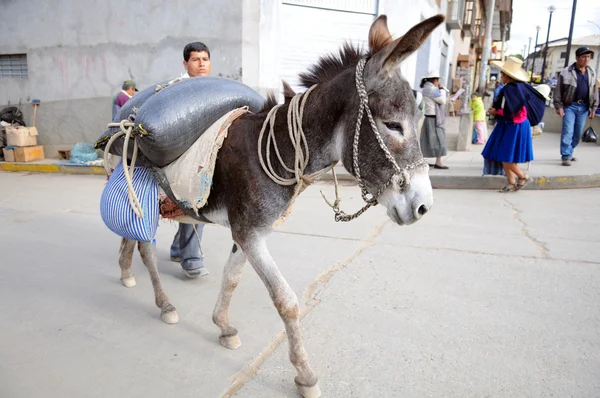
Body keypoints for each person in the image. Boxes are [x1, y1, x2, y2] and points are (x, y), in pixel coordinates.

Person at [169, 41, 212, 278]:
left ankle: (178, 248)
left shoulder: (215, 87)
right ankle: (192, 260)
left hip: (206, 153)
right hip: (184, 154)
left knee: (194, 203)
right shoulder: (178, 89)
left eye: (204, 59)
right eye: (195, 59)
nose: (201, 63)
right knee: (196, 201)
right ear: (185, 64)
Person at [482, 56, 534, 192]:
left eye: (502, 73)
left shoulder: (510, 89)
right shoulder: (521, 87)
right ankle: (511, 182)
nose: (501, 76)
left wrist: (496, 111)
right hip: (516, 124)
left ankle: (523, 176)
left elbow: (512, 111)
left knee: (505, 155)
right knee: (505, 155)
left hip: (514, 125)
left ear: (507, 75)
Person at [554, 46, 598, 166]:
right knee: (568, 131)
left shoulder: (592, 72)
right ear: (577, 58)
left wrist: (593, 108)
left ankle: (569, 151)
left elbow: (594, 92)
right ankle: (566, 155)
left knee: (577, 133)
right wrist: (559, 106)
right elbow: (558, 91)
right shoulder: (566, 71)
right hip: (570, 106)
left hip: (584, 108)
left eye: (588, 57)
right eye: (584, 57)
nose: (586, 59)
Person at [419, 71, 449, 169]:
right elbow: (442, 100)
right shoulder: (432, 89)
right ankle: (438, 162)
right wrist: (442, 89)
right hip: (434, 118)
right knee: (439, 140)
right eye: (438, 80)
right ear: (435, 80)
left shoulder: (426, 89)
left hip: (429, 117)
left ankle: (424, 161)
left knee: (427, 140)